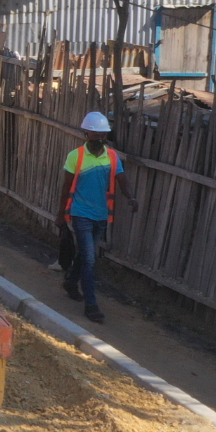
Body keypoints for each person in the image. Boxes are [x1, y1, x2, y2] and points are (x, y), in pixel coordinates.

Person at [55, 111, 136, 324]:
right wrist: (61, 214)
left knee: (84, 254)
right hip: (80, 213)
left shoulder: (112, 156)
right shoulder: (76, 156)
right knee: (90, 259)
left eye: (103, 134)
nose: (100, 137)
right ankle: (91, 305)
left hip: (101, 215)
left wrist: (130, 198)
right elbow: (66, 187)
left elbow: (122, 180)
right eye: (95, 133)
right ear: (86, 133)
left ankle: (71, 282)